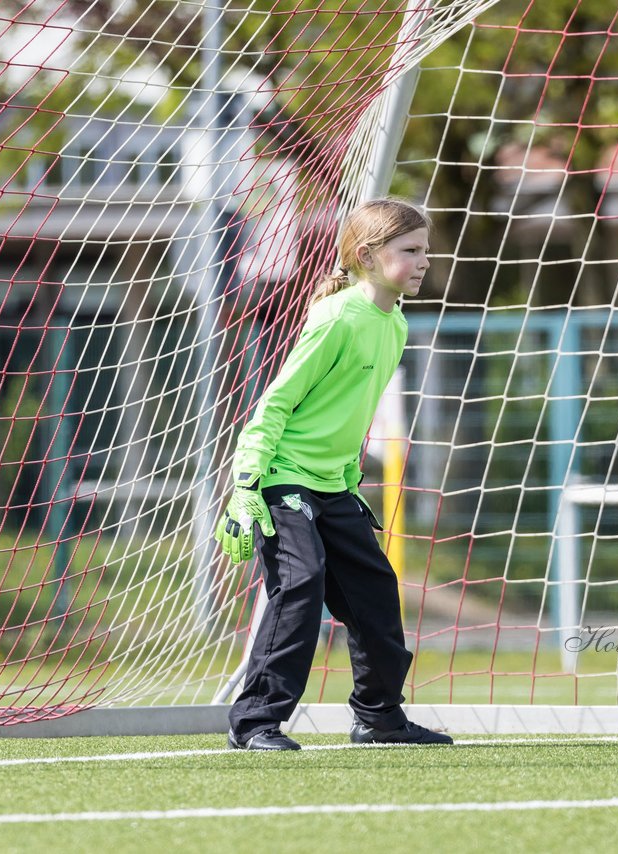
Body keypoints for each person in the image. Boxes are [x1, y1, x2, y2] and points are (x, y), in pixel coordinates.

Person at [215, 198, 454, 751]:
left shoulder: (393, 323)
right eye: (410, 251)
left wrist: (346, 479)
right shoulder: (336, 318)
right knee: (301, 585)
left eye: (426, 251)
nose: (424, 261)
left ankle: (379, 719)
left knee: (374, 590)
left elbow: (348, 412)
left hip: (331, 486)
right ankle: (254, 724)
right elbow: (275, 405)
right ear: (368, 256)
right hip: (280, 476)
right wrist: (247, 483)